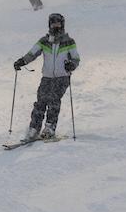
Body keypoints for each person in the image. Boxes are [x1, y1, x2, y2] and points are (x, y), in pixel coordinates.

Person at [13, 12, 81, 140]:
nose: (56, 26)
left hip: (62, 77)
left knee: (54, 100)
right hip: (47, 77)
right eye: (53, 23)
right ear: (49, 25)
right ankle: (34, 128)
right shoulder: (44, 41)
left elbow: (76, 59)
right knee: (41, 101)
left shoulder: (68, 42)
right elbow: (32, 53)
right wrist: (22, 61)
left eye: (58, 23)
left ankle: (50, 127)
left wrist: (71, 65)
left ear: (62, 25)